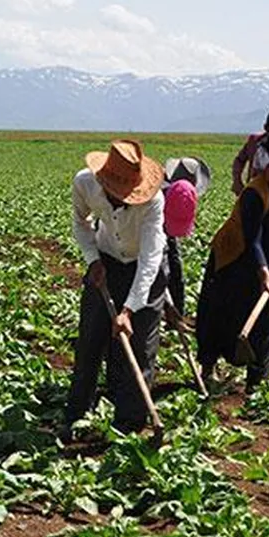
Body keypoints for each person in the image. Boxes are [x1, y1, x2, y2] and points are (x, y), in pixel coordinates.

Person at [62, 139, 167, 438]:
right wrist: (93, 260)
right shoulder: (84, 183)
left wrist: (129, 309)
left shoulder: (154, 201)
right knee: (91, 339)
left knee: (139, 348)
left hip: (143, 271)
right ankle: (76, 412)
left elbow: (150, 259)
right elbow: (80, 223)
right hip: (106, 261)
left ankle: (129, 426)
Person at [196, 128, 269, 394]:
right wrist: (262, 271)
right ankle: (207, 368)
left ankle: (256, 383)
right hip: (237, 258)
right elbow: (252, 238)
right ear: (264, 165)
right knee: (222, 313)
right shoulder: (253, 193)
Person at [160, 157, 211, 329]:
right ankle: (164, 312)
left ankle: (177, 316)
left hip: (168, 226)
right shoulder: (156, 192)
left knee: (176, 270)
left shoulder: (182, 193)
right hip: (150, 227)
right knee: (160, 272)